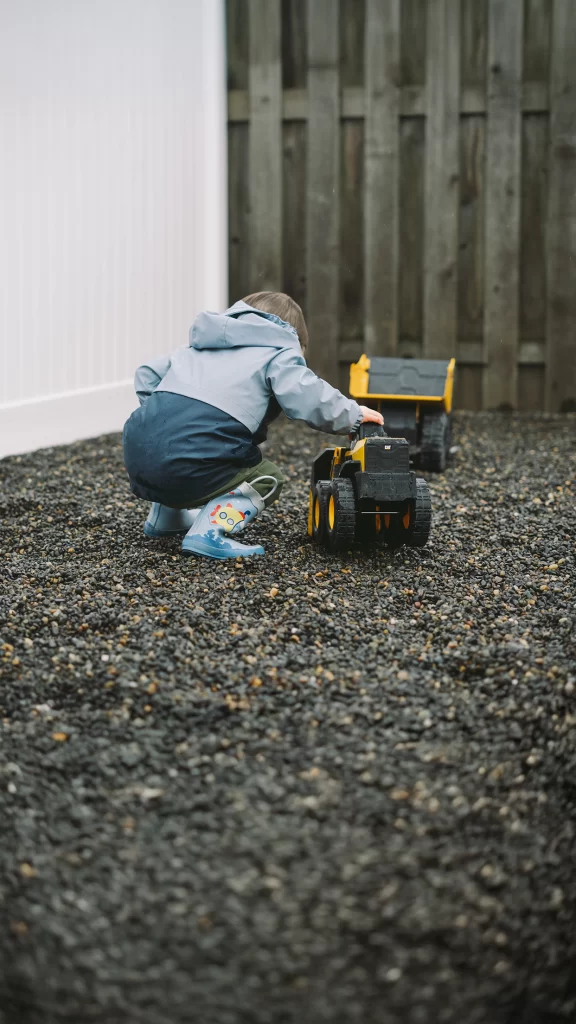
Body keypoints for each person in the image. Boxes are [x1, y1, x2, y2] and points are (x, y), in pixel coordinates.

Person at [122, 291, 383, 560]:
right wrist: (353, 414)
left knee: (177, 442)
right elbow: (306, 394)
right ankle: (210, 531)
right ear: (295, 338)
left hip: (137, 454)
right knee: (267, 478)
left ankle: (166, 517)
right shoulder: (277, 350)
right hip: (187, 465)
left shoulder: (200, 347)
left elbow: (147, 374)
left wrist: (157, 417)